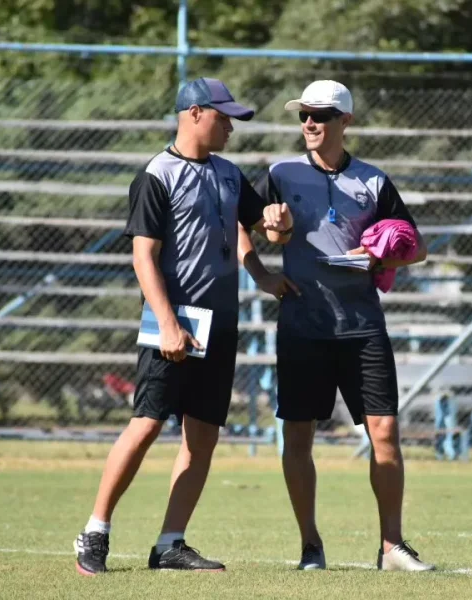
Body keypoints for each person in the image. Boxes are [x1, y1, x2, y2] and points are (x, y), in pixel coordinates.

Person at [74, 77, 293, 576]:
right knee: (147, 424)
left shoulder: (230, 175)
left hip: (220, 321)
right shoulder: (157, 174)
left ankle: (170, 544)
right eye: (224, 116)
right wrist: (169, 324)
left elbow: (260, 226)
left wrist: (270, 248)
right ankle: (95, 530)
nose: (231, 127)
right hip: (170, 321)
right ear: (194, 113)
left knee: (202, 437)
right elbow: (143, 258)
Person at [239, 80, 434, 572]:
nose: (309, 123)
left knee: (385, 431)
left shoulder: (372, 181)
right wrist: (262, 273)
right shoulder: (280, 173)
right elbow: (244, 225)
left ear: (344, 122)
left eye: (321, 115)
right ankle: (310, 546)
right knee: (298, 437)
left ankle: (391, 547)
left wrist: (381, 253)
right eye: (304, 114)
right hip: (303, 324)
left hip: (362, 325)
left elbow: (418, 247)